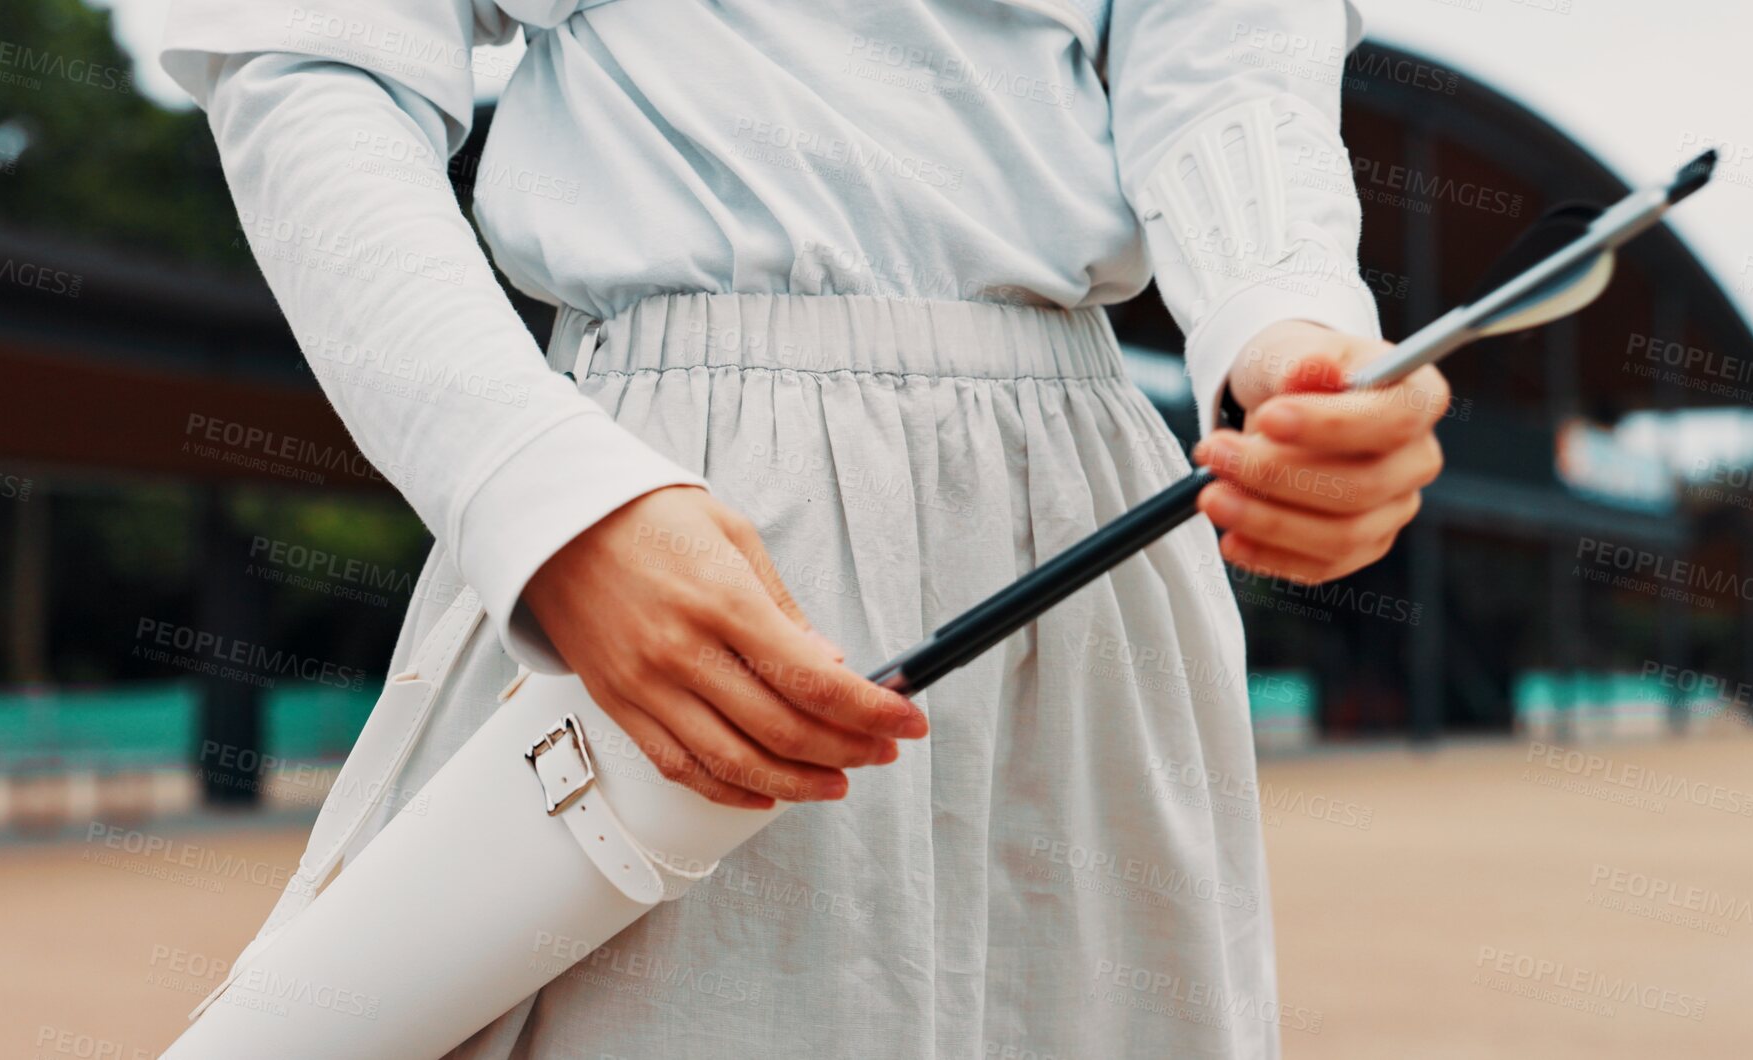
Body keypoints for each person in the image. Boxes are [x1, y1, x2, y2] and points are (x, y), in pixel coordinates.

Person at [159, 0, 1447, 1055]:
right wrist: (538, 489)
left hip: (1093, 514)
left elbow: (1229, 61)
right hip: (668, 500)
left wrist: (1291, 332)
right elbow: (313, 53)